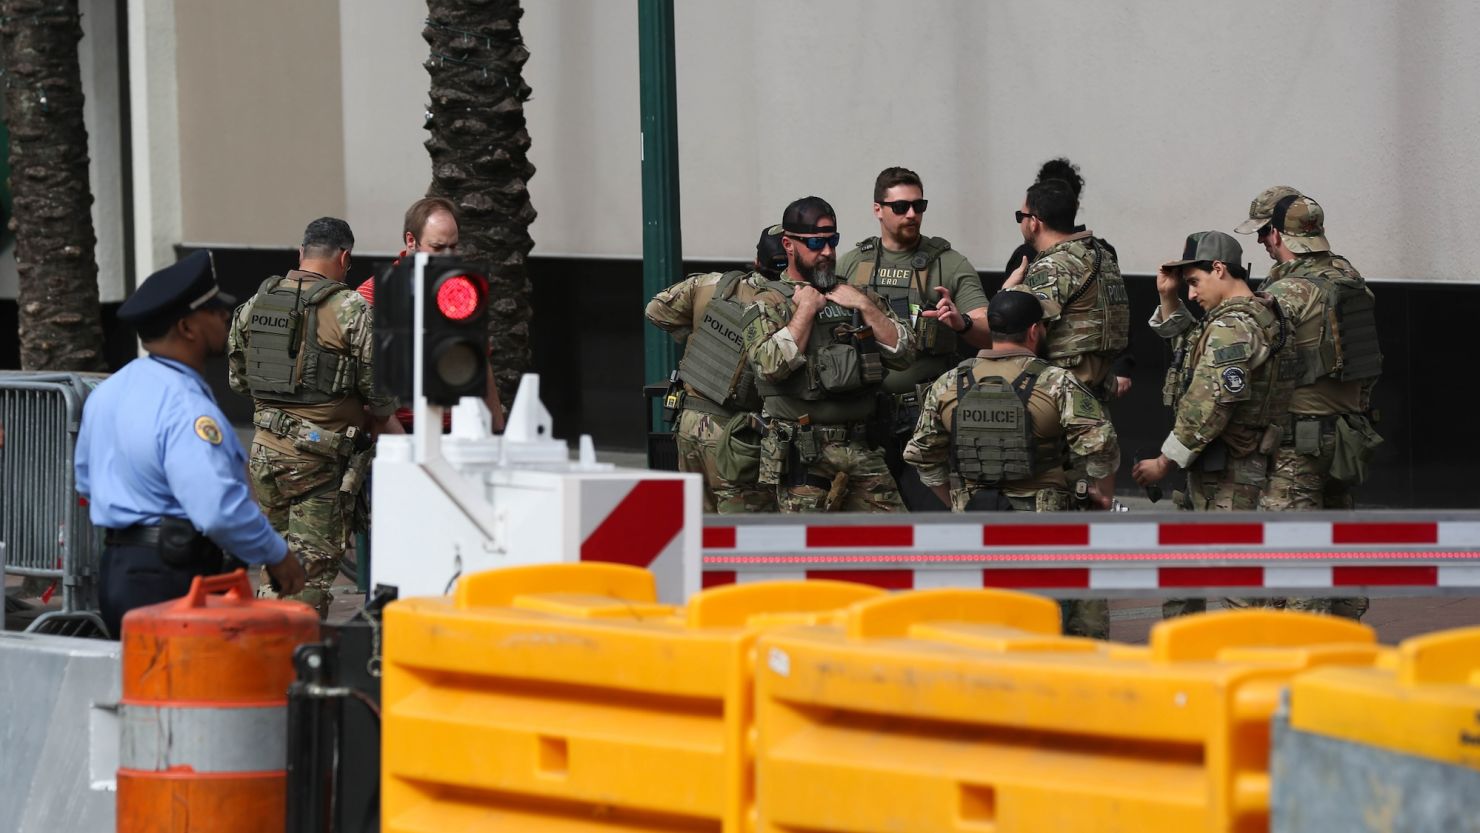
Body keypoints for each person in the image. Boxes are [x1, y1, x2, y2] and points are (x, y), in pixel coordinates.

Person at [76, 251, 307, 637]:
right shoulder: (187, 408)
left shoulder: (109, 390)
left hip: (118, 571)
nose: (225, 316)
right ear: (186, 327)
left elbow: (86, 480)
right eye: (213, 311)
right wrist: (277, 555)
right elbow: (219, 510)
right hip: (171, 578)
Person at [903, 292, 1120, 638]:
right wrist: (1102, 496)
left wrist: (956, 503)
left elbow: (922, 455)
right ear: (1034, 331)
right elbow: (1101, 447)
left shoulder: (948, 383)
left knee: (981, 625)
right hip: (1046, 525)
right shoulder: (1057, 382)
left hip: (974, 524)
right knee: (1067, 625)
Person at [227, 218, 397, 616]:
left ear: (301, 253)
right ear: (345, 257)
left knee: (275, 567)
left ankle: (267, 650)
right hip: (317, 462)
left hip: (265, 454)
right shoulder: (351, 308)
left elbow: (238, 381)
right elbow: (378, 394)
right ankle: (289, 665)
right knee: (307, 577)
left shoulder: (257, 304)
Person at [1235, 187, 1382, 620]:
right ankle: (1346, 642)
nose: (1261, 243)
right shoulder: (1347, 276)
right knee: (1337, 545)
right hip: (1344, 434)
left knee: (1294, 560)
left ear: (1279, 234)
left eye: (1263, 233)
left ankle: (1303, 655)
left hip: (1296, 444)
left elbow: (1246, 355)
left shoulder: (1288, 291)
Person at [1131, 231, 1296, 618]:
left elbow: (1208, 403)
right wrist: (1167, 296)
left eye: (1193, 282)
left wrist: (1164, 463)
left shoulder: (1232, 327)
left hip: (1230, 475)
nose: (1191, 294)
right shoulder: (1255, 313)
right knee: (1185, 575)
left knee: (1238, 589)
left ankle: (1244, 670)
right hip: (1220, 468)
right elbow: (1193, 349)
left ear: (1218, 268)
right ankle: (1187, 658)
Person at [743, 196, 915, 513]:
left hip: (862, 447)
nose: (827, 252)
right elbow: (769, 367)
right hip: (804, 453)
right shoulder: (768, 302)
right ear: (789, 244)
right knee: (806, 553)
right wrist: (806, 310)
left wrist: (864, 306)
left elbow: (903, 353)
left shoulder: (857, 295)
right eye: (815, 242)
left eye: (832, 241)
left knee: (897, 544)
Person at [835, 167, 988, 510]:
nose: (912, 214)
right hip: (863, 416)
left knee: (933, 517)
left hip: (926, 416)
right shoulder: (852, 263)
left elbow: (989, 329)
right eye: (901, 207)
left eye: (919, 206)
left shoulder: (947, 264)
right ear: (878, 209)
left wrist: (961, 322)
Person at [644, 226, 784, 513]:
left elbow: (655, 310)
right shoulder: (787, 304)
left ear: (757, 260)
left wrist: (699, 330)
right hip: (735, 434)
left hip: (688, 422)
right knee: (745, 530)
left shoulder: (711, 285)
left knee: (698, 523)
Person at [358, 196, 505, 432]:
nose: (448, 256)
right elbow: (363, 385)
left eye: (454, 246)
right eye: (437, 247)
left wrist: (498, 433)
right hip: (401, 434)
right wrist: (402, 442)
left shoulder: (462, 291)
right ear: (411, 241)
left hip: (460, 432)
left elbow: (480, 364)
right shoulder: (373, 295)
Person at [1004, 158, 1135, 398]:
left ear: (1034, 222)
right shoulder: (1102, 254)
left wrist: (1006, 293)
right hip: (1095, 388)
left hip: (1055, 392)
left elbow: (1014, 332)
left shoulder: (1048, 264)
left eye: (1020, 216)